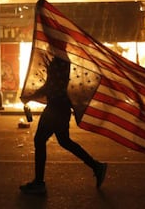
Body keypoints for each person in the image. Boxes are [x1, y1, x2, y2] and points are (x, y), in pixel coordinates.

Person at [20, 56, 107, 195]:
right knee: (64, 141)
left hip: (56, 108)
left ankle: (39, 183)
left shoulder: (60, 61)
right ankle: (96, 166)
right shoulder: (60, 59)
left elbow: (51, 86)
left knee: (40, 140)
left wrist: (30, 96)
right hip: (60, 108)